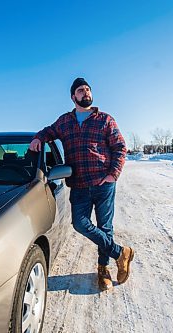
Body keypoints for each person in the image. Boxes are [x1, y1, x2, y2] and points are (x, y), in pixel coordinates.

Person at [29, 77, 134, 291]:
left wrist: (113, 174)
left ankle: (103, 269)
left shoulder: (105, 119)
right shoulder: (65, 122)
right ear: (73, 96)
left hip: (103, 183)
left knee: (105, 227)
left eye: (87, 89)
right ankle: (120, 252)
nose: (85, 92)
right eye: (80, 90)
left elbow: (120, 148)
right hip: (78, 185)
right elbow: (48, 131)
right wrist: (39, 137)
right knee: (80, 224)